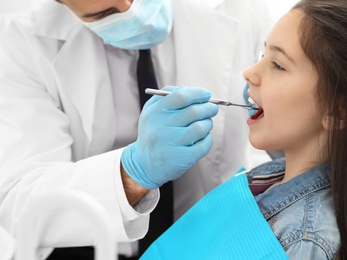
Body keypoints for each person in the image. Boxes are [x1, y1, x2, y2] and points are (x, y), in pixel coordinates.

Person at [0, 0, 296, 258]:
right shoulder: (24, 43)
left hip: (215, 239)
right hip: (91, 245)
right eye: (105, 13)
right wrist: (133, 173)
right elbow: (19, 201)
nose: (132, 12)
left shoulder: (242, 9)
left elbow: (306, 119)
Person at [238, 0, 347, 259]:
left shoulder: (304, 241)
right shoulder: (268, 177)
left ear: (337, 110)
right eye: (263, 56)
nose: (249, 73)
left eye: (278, 65)